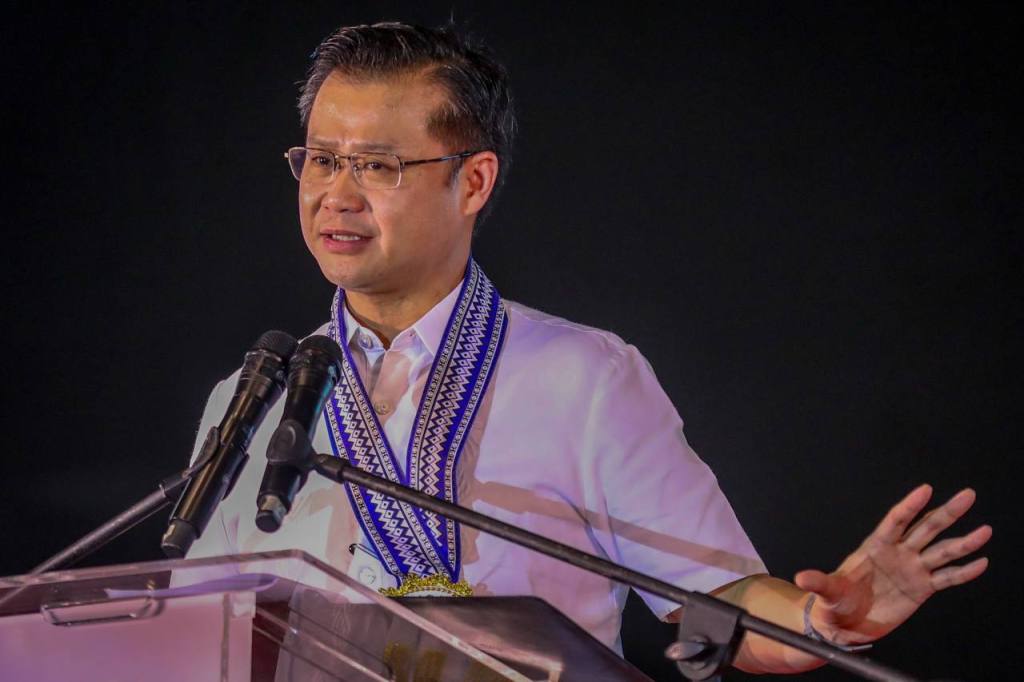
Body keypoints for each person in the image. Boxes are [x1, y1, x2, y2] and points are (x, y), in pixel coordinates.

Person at [185, 21, 991, 674]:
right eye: (323, 160)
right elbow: (194, 632)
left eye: (377, 165)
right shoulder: (251, 400)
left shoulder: (585, 379)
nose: (336, 194)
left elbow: (719, 601)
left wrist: (820, 619)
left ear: (473, 182)